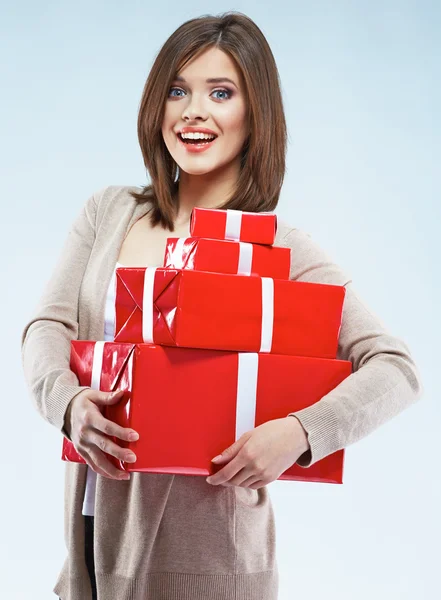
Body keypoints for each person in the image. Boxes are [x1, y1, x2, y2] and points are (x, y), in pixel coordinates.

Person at [21, 11, 423, 600]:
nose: (193, 112)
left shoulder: (279, 247)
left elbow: (395, 368)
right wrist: (67, 403)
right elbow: (46, 327)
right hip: (90, 548)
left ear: (254, 114)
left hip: (210, 568)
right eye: (178, 90)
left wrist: (298, 433)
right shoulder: (109, 214)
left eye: (221, 92)